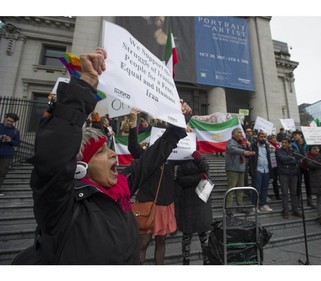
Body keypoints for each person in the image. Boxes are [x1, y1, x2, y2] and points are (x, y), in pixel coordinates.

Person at [26, 48, 189, 264]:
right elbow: (54, 155)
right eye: (101, 152)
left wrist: (177, 125)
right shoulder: (61, 204)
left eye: (107, 148)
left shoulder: (123, 186)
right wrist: (86, 82)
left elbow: (154, 156)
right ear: (80, 165)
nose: (113, 153)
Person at [128, 105, 191, 265]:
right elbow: (133, 147)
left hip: (164, 203)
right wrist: (133, 122)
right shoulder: (146, 156)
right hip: (147, 203)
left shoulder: (172, 157)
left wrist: (194, 149)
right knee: (142, 243)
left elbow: (190, 158)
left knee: (161, 242)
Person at [175, 150, 212, 265]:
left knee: (203, 235)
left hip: (201, 203)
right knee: (187, 235)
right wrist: (198, 177)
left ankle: (206, 260)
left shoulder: (201, 159)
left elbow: (206, 170)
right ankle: (186, 261)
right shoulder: (181, 163)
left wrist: (199, 160)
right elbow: (180, 180)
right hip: (187, 203)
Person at [225, 128, 254, 216]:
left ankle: (240, 206)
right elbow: (232, 149)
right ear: (233, 134)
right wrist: (244, 151)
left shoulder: (242, 143)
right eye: (239, 132)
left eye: (241, 132)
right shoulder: (231, 141)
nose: (241, 134)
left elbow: (247, 152)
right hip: (233, 168)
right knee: (231, 188)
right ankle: (228, 207)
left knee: (240, 188)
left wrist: (248, 147)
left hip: (241, 168)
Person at [275, 137, 301, 219]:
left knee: (294, 193)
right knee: (284, 193)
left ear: (289, 144)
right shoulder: (278, 151)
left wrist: (291, 159)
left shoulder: (293, 151)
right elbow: (281, 158)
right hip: (283, 173)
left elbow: (297, 160)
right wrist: (291, 158)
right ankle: (285, 210)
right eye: (282, 142)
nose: (283, 144)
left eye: (286, 142)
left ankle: (295, 210)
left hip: (293, 174)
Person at [249, 131, 273, 212]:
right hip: (257, 170)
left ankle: (263, 204)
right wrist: (252, 170)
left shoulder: (266, 146)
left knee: (265, 188)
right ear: (258, 137)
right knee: (256, 188)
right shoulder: (253, 146)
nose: (263, 138)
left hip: (266, 170)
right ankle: (254, 205)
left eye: (264, 137)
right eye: (261, 136)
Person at [291, 130, 316, 208]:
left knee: (308, 183)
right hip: (298, 165)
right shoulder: (292, 145)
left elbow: (310, 153)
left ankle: (309, 200)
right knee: (298, 183)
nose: (294, 136)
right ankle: (298, 201)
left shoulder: (307, 144)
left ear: (300, 135)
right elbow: (293, 154)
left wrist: (306, 158)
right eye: (294, 135)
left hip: (306, 165)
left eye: (296, 135)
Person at [0, 113, 20, 190]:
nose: (9, 122)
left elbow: (17, 143)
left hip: (7, 155)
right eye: (8, 120)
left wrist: (10, 140)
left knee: (2, 173)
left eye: (11, 121)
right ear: (5, 118)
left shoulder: (15, 131)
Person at [268, 134, 281, 200]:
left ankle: (277, 194)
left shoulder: (278, 145)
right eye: (273, 138)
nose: (275, 139)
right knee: (274, 180)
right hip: (272, 165)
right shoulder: (268, 145)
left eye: (275, 138)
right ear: (270, 139)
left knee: (277, 180)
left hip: (278, 165)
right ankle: (276, 194)